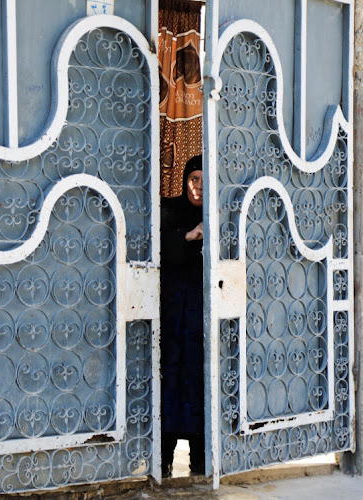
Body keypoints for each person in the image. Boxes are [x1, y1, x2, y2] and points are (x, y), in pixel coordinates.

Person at [160, 155, 205, 477]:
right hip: (173, 315)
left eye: (204, 180)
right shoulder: (169, 209)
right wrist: (189, 236)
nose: (197, 187)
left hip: (202, 319)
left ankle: (201, 461)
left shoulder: (219, 212)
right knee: (170, 382)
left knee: (201, 384)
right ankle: (162, 456)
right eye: (193, 179)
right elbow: (157, 247)